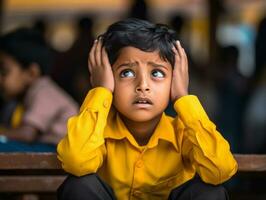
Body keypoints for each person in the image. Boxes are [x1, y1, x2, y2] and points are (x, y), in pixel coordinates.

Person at [57, 18, 237, 200]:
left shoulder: (183, 132)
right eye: (126, 72)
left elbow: (220, 169)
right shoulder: (98, 132)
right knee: (79, 185)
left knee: (211, 192)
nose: (143, 86)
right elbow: (76, 161)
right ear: (108, 78)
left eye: (157, 73)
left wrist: (183, 96)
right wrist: (101, 91)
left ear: (174, 80)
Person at [0, 28, 78, 152]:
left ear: (31, 73)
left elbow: (27, 134)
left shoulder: (44, 91)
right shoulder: (22, 98)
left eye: (4, 72)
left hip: (57, 152)